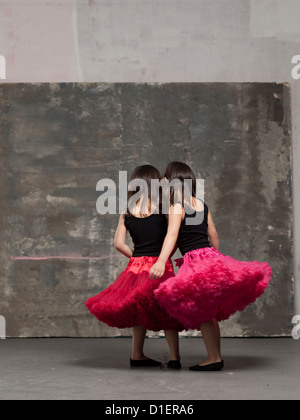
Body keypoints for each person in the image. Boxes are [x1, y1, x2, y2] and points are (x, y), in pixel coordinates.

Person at [151, 162, 272, 371]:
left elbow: (171, 235)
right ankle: (215, 355)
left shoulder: (176, 206)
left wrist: (161, 261)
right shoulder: (200, 204)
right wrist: (217, 260)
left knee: (205, 313)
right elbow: (213, 235)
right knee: (210, 313)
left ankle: (214, 358)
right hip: (210, 256)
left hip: (194, 261)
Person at [86, 165, 183, 369]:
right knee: (167, 310)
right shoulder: (163, 206)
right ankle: (174, 357)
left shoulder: (127, 211)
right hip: (159, 264)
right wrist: (162, 258)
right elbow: (171, 235)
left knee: (138, 308)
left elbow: (119, 243)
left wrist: (137, 258)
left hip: (135, 267)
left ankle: (136, 354)